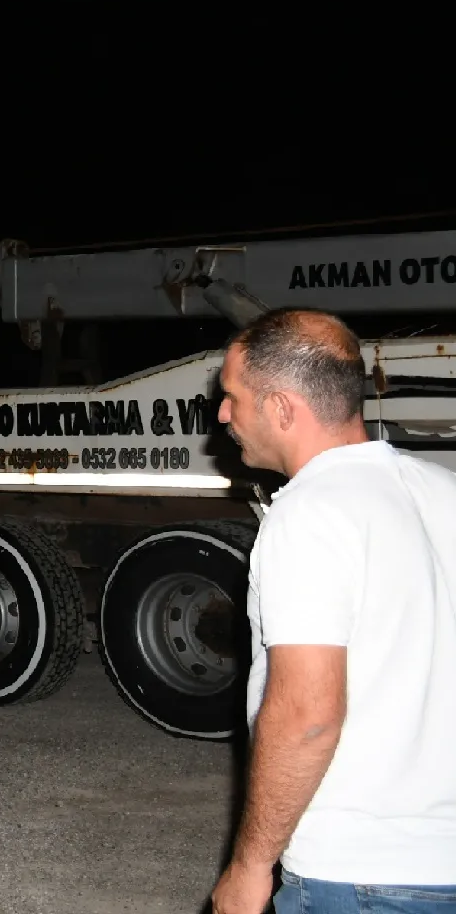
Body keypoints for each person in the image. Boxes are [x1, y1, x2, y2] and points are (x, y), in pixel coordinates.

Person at [210, 309, 456, 914]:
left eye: (232, 398)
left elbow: (307, 715)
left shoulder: (310, 515)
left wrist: (249, 866)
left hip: (360, 875)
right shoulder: (441, 490)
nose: (221, 415)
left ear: (283, 409)